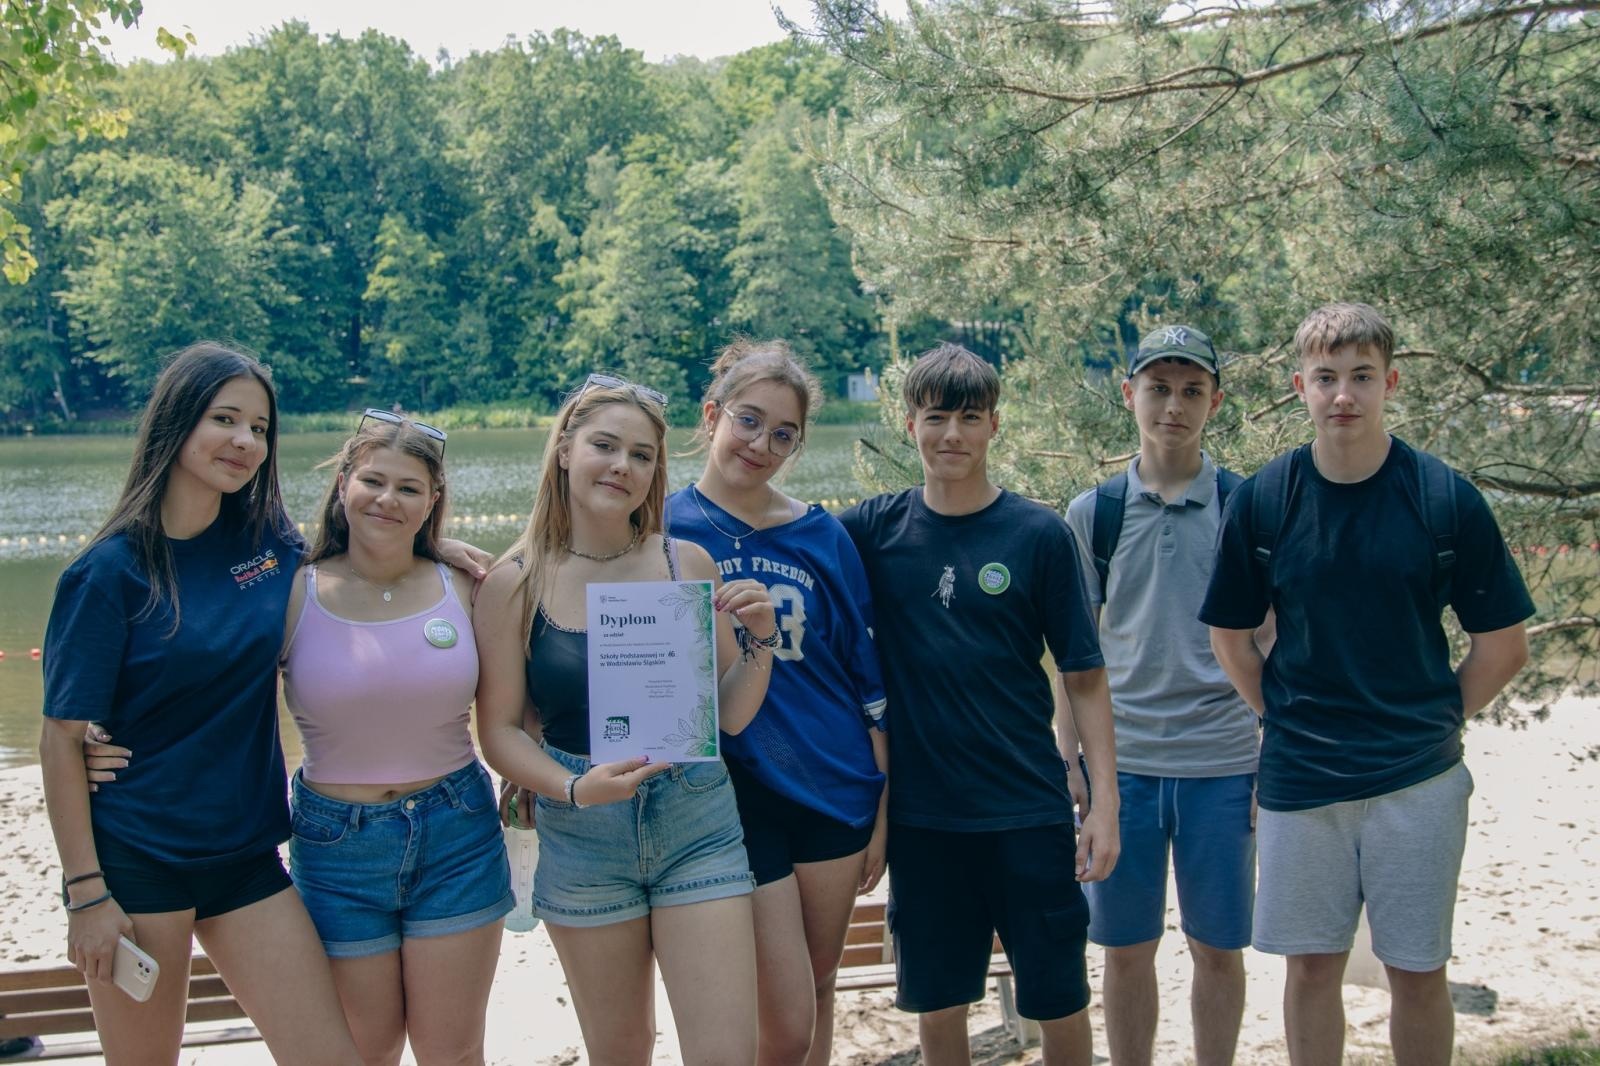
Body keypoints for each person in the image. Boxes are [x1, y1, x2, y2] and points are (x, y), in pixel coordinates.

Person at [1202, 302, 1533, 1066]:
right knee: (1310, 967)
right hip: (1302, 781)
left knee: (1417, 970)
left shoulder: (1442, 497)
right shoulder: (1266, 499)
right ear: (1300, 387)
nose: (1342, 395)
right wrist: (1281, 715)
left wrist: (1435, 718)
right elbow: (1229, 634)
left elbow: (1503, 646)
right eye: (1325, 378)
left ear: (1390, 381)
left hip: (1417, 780)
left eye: (1359, 377)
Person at [39, 343, 365, 1065]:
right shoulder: (108, 575)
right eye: (226, 419)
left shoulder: (269, 545)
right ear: (177, 423)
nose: (246, 441)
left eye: (260, 427)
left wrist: (452, 556)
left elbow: (359, 581)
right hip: (137, 857)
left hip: (245, 852)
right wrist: (87, 896)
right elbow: (60, 739)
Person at [474, 373, 778, 1066]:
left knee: (727, 1052)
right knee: (621, 1051)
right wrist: (574, 787)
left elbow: (729, 715)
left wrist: (759, 643)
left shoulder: (684, 562)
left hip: (695, 822)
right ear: (564, 451)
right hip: (583, 831)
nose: (623, 466)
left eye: (642, 456)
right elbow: (498, 731)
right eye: (605, 445)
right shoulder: (513, 581)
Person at [837, 343, 1120, 1066]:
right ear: (910, 425)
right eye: (936, 417)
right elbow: (774, 533)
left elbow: (1084, 676)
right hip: (924, 820)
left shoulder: (1038, 535)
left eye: (969, 417)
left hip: (1027, 808)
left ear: (996, 424)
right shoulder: (875, 531)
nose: (952, 435)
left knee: (1059, 998)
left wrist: (1106, 805)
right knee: (938, 1004)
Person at [666, 339, 888, 1066]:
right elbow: (547, 570)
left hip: (835, 788)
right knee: (779, 1016)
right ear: (712, 415)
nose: (762, 444)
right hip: (729, 794)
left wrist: (881, 810)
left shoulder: (821, 534)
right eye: (749, 420)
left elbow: (866, 680)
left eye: (783, 433)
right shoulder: (659, 527)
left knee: (819, 986)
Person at [274, 412, 510, 1066]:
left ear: (433, 501)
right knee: (365, 1051)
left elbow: (519, 703)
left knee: (453, 1052)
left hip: (456, 831)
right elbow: (214, 696)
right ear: (343, 483)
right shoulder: (292, 592)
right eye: (372, 480)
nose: (387, 499)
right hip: (336, 844)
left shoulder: (465, 583)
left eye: (409, 488)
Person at [1059, 325, 1260, 1066]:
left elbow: (1271, 640)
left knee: (1217, 947)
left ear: (1214, 400)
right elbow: (1074, 659)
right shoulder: (1094, 514)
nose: (1172, 406)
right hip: (1125, 768)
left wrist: (1271, 747)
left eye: (1191, 391)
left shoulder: (1246, 505)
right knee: (1125, 948)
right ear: (1129, 395)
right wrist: (1074, 764)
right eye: (1157, 388)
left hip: (1224, 761)